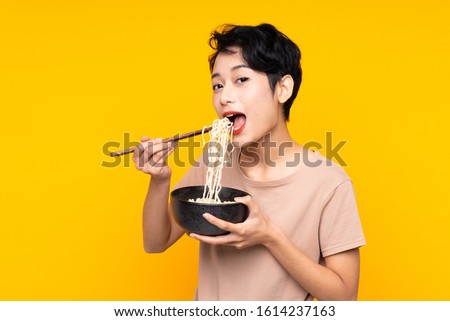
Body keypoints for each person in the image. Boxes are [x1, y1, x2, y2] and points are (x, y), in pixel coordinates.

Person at [133, 23, 365, 300]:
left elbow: (344, 297)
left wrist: (269, 236)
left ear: (283, 89)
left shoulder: (329, 182)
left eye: (241, 80)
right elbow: (155, 243)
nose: (224, 97)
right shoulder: (215, 159)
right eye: (217, 85)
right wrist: (159, 180)